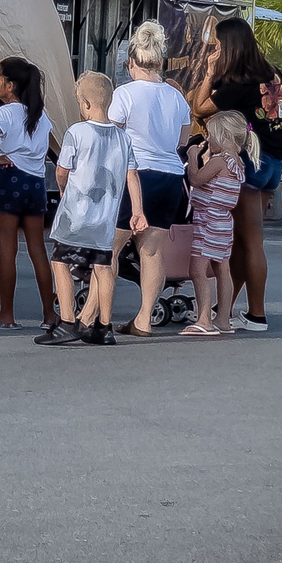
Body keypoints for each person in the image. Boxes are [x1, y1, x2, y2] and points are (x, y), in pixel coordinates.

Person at [190, 17, 282, 333]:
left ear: (229, 47)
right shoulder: (269, 75)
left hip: (250, 163)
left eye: (217, 46)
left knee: (250, 241)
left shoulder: (237, 83)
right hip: (273, 161)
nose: (213, 51)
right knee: (246, 242)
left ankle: (257, 315)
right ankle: (228, 308)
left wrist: (209, 71)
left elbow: (200, 107)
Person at [37, 72, 146, 347]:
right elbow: (132, 175)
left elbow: (62, 170)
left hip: (76, 214)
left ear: (85, 104)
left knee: (60, 262)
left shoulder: (76, 132)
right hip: (106, 219)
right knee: (104, 267)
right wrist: (137, 210)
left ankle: (68, 321)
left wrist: (63, 189)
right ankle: (103, 326)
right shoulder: (123, 138)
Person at [109, 21, 191, 338]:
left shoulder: (124, 94)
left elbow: (111, 136)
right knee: (152, 251)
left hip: (135, 175)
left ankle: (98, 314)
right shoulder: (177, 98)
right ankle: (144, 318)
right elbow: (182, 142)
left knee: (111, 249)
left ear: (131, 62)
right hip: (170, 176)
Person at [0, 57, 58, 330]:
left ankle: (6, 314)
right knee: (37, 250)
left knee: (7, 251)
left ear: (9, 86)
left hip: (10, 180)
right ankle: (49, 315)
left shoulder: (6, 112)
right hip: (36, 185)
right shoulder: (41, 116)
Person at [181, 111, 256, 338]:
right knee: (222, 269)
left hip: (208, 221)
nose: (207, 140)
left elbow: (195, 179)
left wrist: (193, 156)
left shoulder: (219, 161)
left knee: (197, 270)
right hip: (223, 222)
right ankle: (223, 318)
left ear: (224, 137)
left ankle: (204, 319)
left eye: (211, 135)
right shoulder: (236, 163)